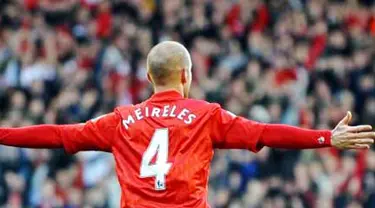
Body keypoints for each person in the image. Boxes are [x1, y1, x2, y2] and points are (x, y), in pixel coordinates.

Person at [0, 41, 374, 208]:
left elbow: (58, 135)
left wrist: (2, 134)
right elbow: (266, 133)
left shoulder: (121, 121)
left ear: (148, 76)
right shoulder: (205, 115)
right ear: (186, 75)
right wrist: (327, 136)